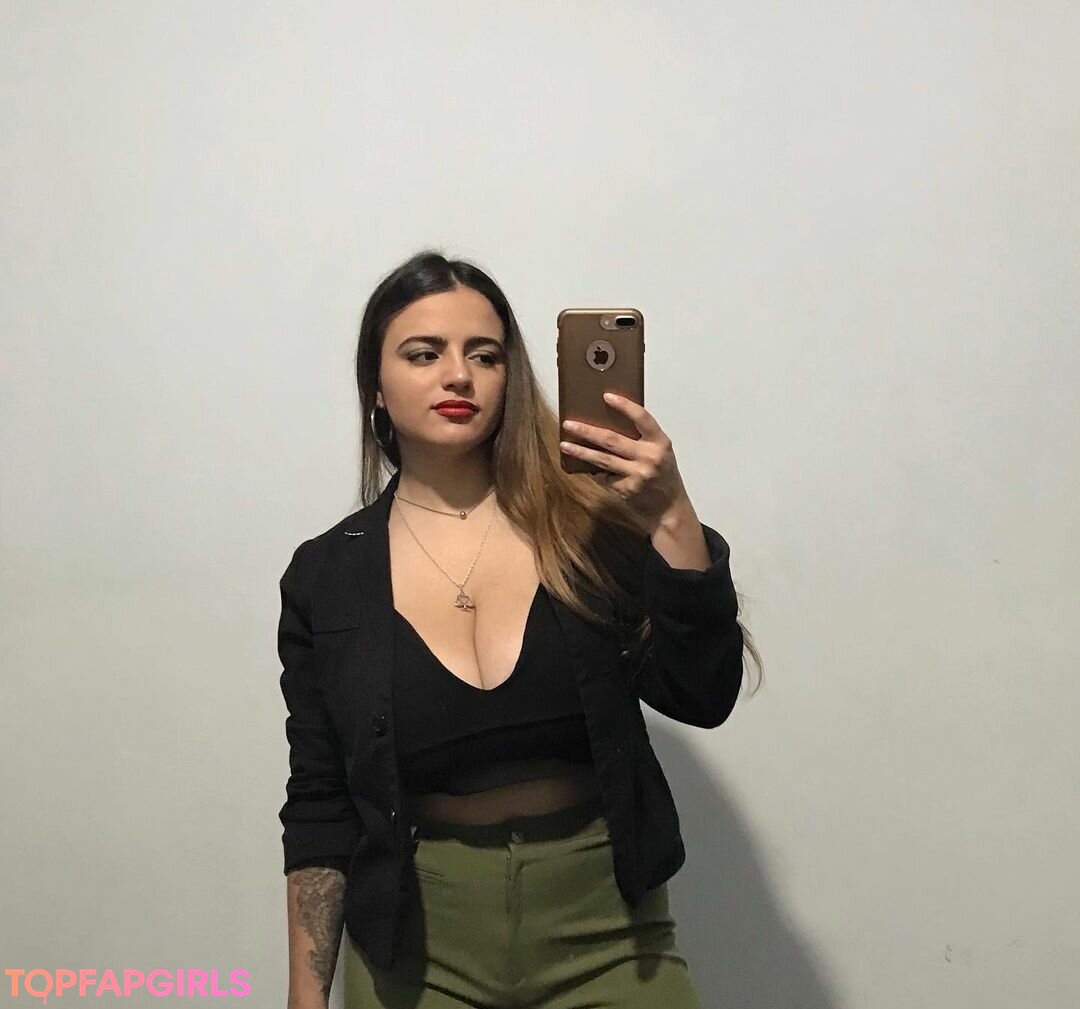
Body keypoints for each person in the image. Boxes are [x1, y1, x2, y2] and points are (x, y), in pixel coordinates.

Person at [278, 250, 762, 1009]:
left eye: (485, 354)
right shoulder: (326, 576)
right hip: (419, 942)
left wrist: (672, 515)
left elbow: (703, 694)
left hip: (607, 927)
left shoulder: (587, 528)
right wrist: (306, 998)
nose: (458, 375)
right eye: (424, 353)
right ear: (376, 383)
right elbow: (320, 800)